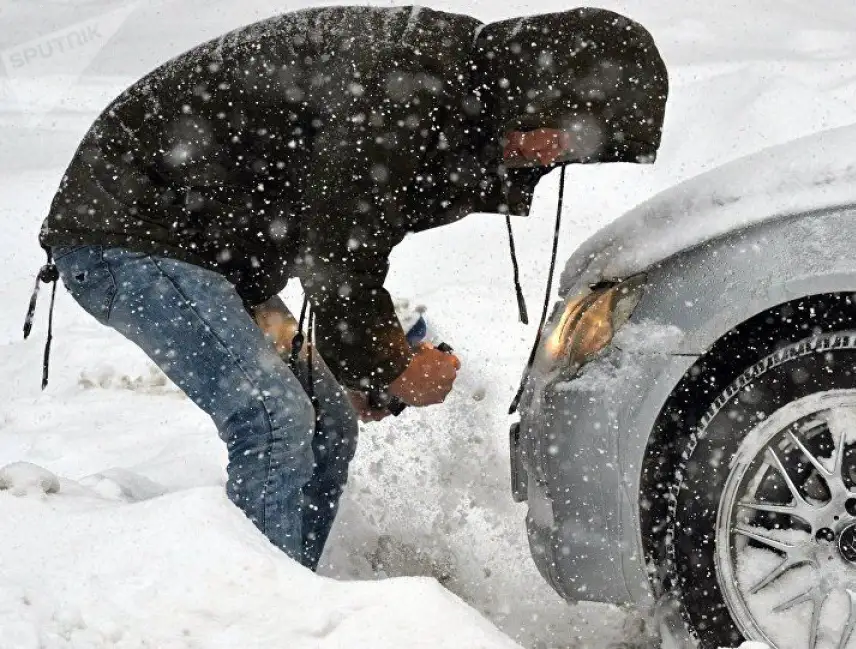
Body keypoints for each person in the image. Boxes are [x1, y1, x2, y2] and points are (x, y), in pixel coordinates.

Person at [28, 5, 668, 570]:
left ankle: (296, 591)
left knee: (328, 423)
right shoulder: (407, 91)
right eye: (576, 134)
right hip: (131, 234)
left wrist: (363, 372)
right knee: (273, 419)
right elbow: (335, 254)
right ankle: (257, 614)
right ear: (543, 89)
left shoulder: (455, 99)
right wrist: (387, 364)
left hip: (210, 256)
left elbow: (344, 235)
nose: (561, 155)